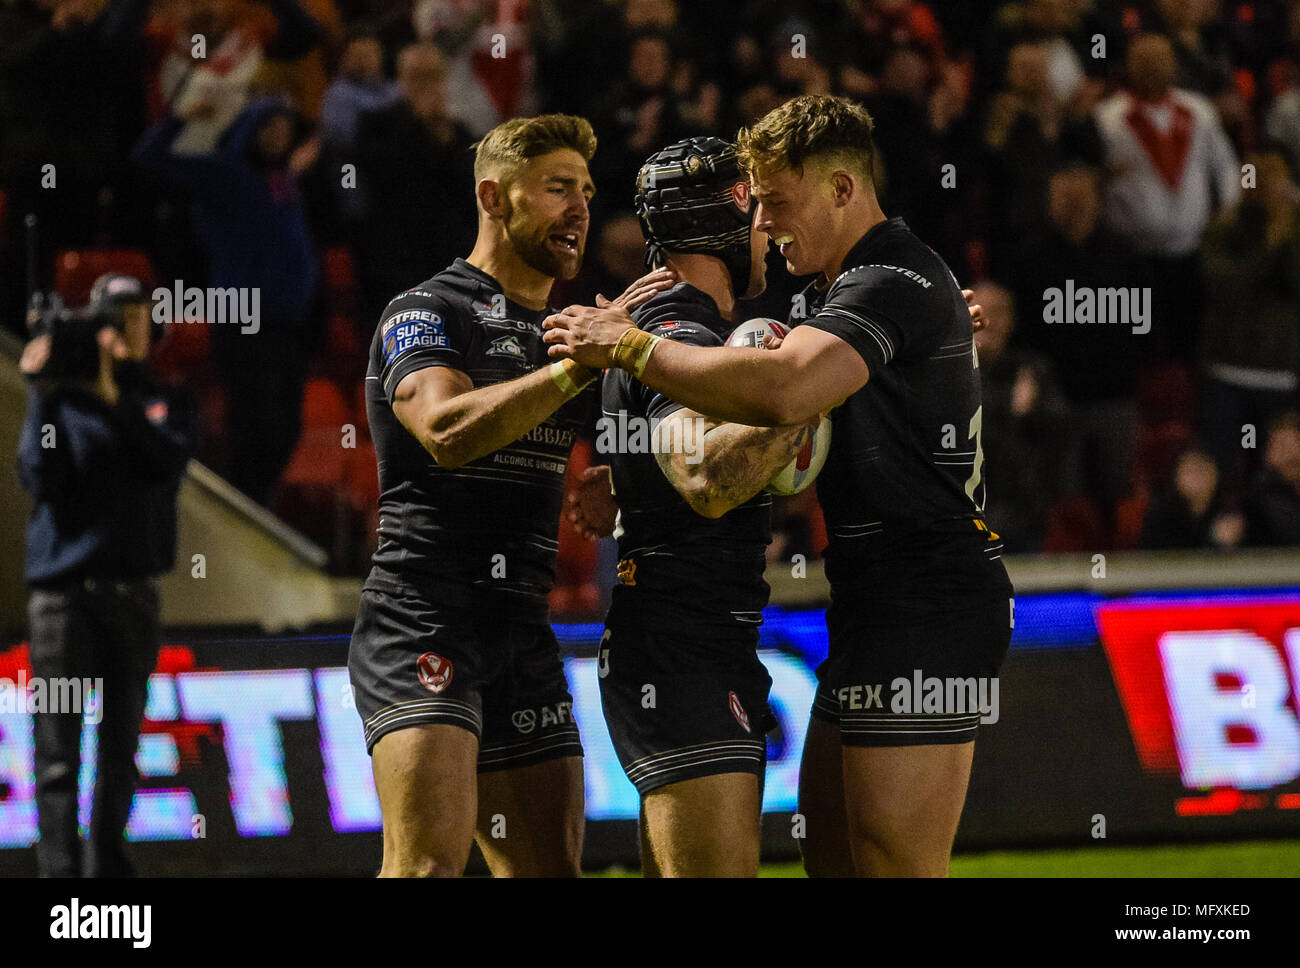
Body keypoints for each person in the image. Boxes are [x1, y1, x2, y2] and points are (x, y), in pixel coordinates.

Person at [545, 94, 1014, 877]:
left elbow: (784, 392)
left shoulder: (886, 279)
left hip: (929, 605)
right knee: (833, 858)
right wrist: (633, 485)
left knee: (893, 863)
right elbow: (775, 417)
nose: (764, 221)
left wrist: (624, 345)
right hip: (871, 607)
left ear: (841, 189)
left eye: (777, 201)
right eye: (754, 204)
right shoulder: (852, 291)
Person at [347, 113, 674, 877]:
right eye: (558, 188)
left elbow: (653, 443)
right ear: (494, 198)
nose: (581, 208)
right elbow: (446, 428)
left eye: (588, 191)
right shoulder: (429, 310)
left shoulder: (571, 329)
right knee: (427, 866)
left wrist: (621, 479)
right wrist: (580, 368)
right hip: (423, 616)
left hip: (522, 629)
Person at [586, 137, 817, 876]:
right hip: (679, 643)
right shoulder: (674, 332)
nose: (772, 239)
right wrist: (806, 398)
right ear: (722, 223)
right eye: (759, 219)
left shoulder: (679, 329)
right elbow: (703, 478)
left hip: (697, 636)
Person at [17, 273, 196, 877]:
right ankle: (60, 880)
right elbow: (39, 478)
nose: (132, 327)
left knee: (120, 749)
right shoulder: (60, 404)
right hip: (66, 601)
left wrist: (112, 395)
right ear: (100, 329)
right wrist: (43, 391)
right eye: (120, 316)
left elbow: (164, 461)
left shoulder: (166, 398)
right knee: (58, 754)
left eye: (142, 314)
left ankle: (109, 875)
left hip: (134, 599)